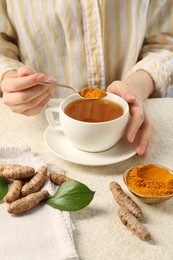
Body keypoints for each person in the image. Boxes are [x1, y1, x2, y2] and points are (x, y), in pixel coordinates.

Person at [0, 0, 173, 157]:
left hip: (132, 123)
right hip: (35, 129)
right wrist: (11, 77)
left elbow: (165, 43)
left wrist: (136, 88)